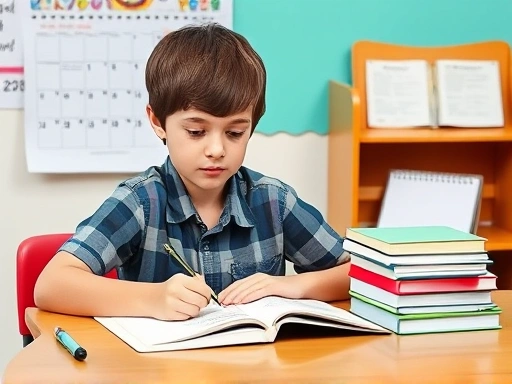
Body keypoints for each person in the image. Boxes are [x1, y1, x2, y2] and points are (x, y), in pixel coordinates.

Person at [34, 23, 350, 321]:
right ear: (158, 121)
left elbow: (363, 275)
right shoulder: (141, 202)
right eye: (197, 131)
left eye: (235, 133)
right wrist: (153, 299)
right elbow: (51, 285)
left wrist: (291, 286)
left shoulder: (273, 201)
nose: (216, 149)